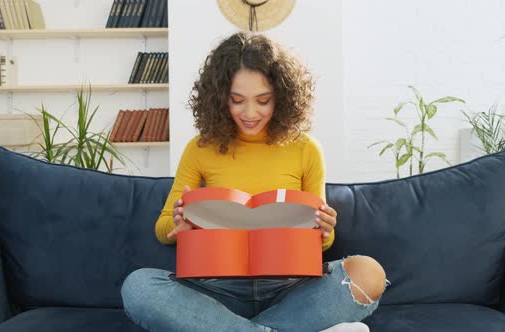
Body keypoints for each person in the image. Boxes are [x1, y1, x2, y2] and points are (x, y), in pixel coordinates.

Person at [121, 32, 388, 332]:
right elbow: (163, 226)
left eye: (263, 101)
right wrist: (179, 225)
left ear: (282, 97)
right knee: (138, 287)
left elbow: (323, 242)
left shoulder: (306, 149)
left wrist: (324, 229)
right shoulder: (201, 148)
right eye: (237, 101)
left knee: (368, 273)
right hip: (216, 291)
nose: (249, 113)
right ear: (220, 98)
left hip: (290, 290)